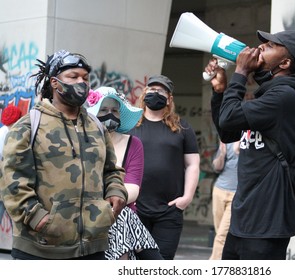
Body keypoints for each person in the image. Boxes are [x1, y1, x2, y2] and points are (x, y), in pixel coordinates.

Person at [0, 49, 128, 260]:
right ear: (55, 83)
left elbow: (111, 170)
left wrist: (116, 192)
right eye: (73, 76)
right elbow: (12, 181)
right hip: (40, 248)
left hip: (92, 247)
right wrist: (39, 219)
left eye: (85, 78)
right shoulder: (29, 126)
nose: (81, 82)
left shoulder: (97, 126)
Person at [205, 30, 295, 260]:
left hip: (267, 219)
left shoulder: (284, 96)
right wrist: (220, 92)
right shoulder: (269, 94)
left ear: (285, 62)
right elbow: (228, 132)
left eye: (270, 45)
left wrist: (240, 72)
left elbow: (229, 117)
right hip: (245, 215)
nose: (261, 48)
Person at [86, 86, 163, 260]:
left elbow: (133, 189)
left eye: (114, 110)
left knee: (121, 215)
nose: (110, 114)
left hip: (123, 213)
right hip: (88, 216)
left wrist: (109, 204)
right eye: (103, 109)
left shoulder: (134, 144)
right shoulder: (82, 142)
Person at [129, 75, 200, 260]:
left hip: (169, 211)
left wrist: (187, 198)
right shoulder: (130, 125)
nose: (155, 93)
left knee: (162, 264)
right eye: (151, 89)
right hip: (135, 210)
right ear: (144, 94)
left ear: (169, 99)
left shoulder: (182, 127)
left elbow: (193, 164)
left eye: (161, 91)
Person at [209, 140, 239, 260]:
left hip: (236, 194)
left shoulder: (250, 141)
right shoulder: (228, 140)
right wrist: (222, 153)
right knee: (220, 235)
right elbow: (217, 167)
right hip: (219, 190)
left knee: (222, 235)